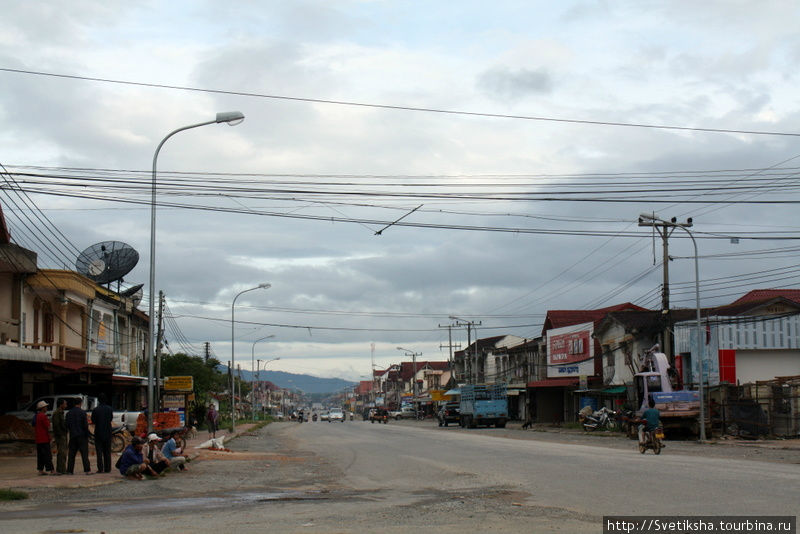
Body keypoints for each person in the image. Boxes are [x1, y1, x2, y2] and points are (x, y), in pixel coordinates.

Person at [66, 398, 92, 475]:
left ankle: (70, 470)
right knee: (84, 454)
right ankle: (87, 470)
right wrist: (87, 435)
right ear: (80, 403)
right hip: (82, 436)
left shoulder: (69, 413)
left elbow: (67, 425)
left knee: (71, 454)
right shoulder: (82, 413)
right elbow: (85, 425)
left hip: (73, 435)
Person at [91, 393, 113, 473]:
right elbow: (110, 419)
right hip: (108, 432)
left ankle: (100, 468)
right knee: (107, 451)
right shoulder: (109, 409)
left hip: (98, 432)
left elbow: (93, 421)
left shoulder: (96, 410)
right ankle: (108, 468)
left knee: (99, 452)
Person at [33, 400, 55, 475]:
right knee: (47, 455)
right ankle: (52, 470)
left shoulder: (37, 416)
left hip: (38, 439)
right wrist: (51, 436)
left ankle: (40, 470)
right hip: (44, 438)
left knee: (40, 455)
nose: (46, 408)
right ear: (42, 408)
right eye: (45, 407)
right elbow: (48, 427)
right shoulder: (43, 416)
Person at [52, 398, 68, 475]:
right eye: (65, 404)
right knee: (61, 452)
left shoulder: (61, 413)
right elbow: (56, 425)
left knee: (63, 452)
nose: (66, 405)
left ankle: (62, 468)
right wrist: (60, 434)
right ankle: (61, 469)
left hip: (63, 434)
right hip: (60, 435)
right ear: (61, 404)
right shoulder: (57, 413)